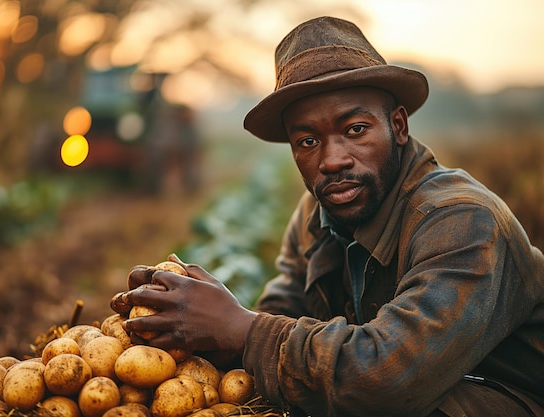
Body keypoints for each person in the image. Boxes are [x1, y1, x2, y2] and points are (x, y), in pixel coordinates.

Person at [111, 16, 544, 417]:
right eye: (307, 141)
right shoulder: (319, 210)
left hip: (503, 395)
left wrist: (243, 329)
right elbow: (285, 304)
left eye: (355, 129)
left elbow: (386, 380)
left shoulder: (464, 222)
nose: (332, 160)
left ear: (398, 126)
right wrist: (199, 326)